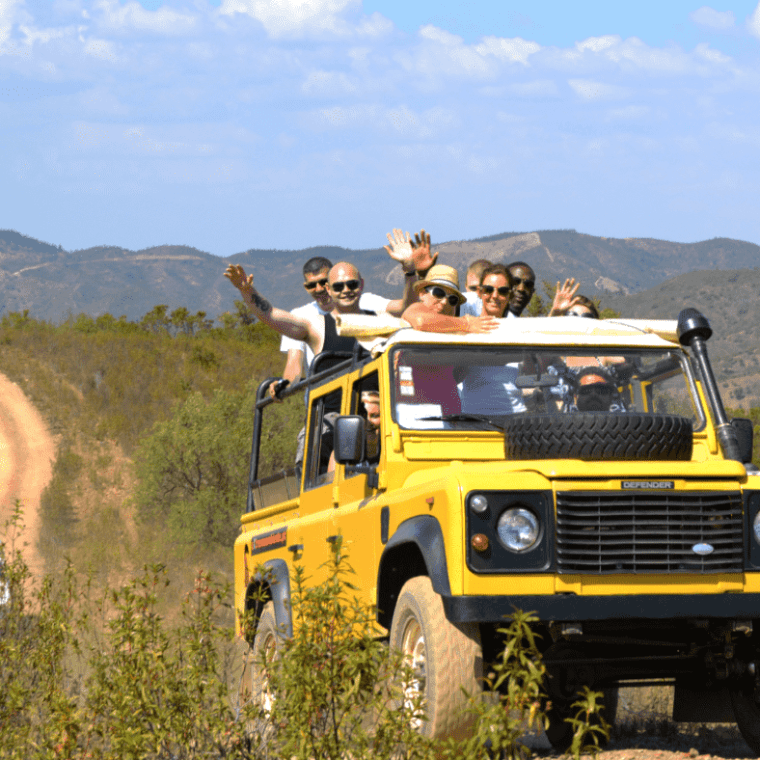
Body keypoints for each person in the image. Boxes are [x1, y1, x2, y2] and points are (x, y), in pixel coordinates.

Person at [271, 230, 435, 399]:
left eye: (322, 282)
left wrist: (411, 270)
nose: (319, 289)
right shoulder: (301, 315)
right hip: (322, 404)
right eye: (312, 285)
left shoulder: (367, 302)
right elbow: (294, 363)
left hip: (371, 401)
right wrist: (285, 385)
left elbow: (407, 309)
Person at [457, 264, 526, 415]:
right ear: (480, 292)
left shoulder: (519, 330)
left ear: (509, 296)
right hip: (474, 418)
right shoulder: (467, 327)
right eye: (488, 290)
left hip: (514, 417)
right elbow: (455, 376)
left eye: (502, 291)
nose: (494, 296)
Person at [402, 265, 499, 334]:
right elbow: (420, 321)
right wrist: (467, 324)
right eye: (439, 293)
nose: (445, 302)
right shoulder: (415, 308)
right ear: (423, 293)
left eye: (452, 299)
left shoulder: (458, 329)